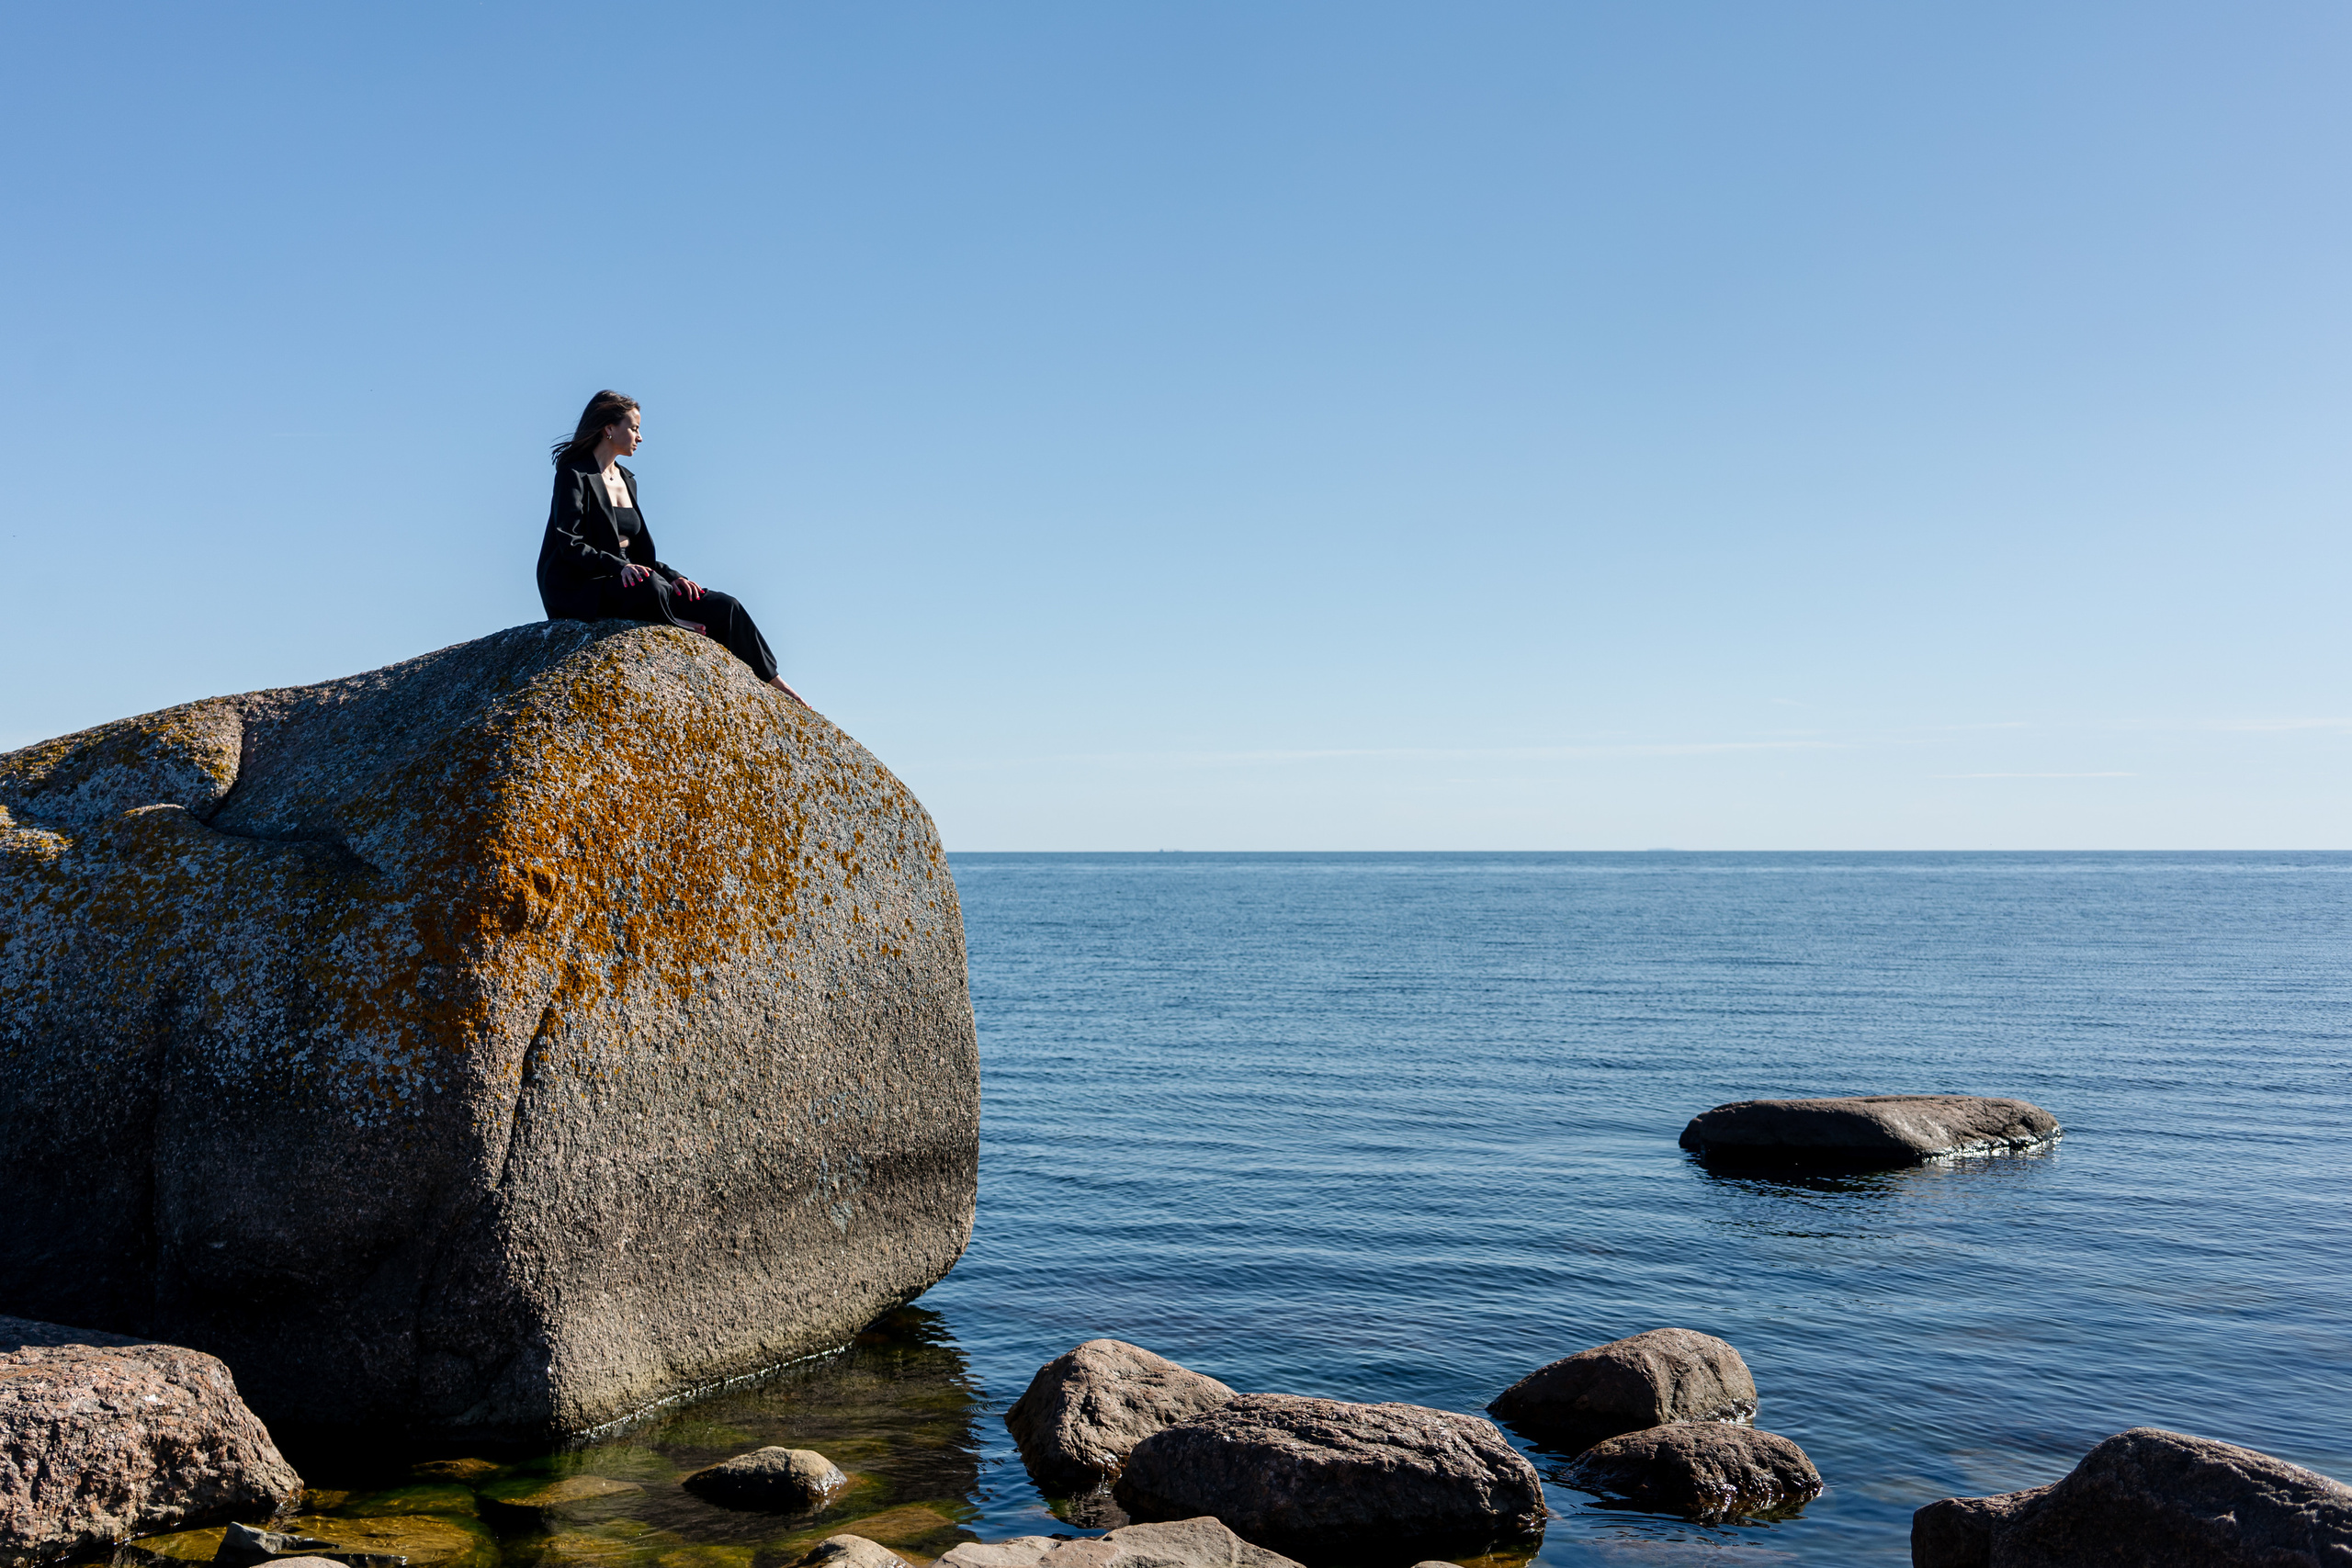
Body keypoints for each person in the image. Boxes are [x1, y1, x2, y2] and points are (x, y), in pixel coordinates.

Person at [537, 389, 809, 707]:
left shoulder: (626, 479)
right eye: (634, 427)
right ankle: (676, 625)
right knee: (651, 587)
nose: (640, 437)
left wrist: (676, 576)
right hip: (583, 583)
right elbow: (570, 543)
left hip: (629, 577)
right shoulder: (574, 473)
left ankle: (773, 680)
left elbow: (640, 556)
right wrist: (620, 567)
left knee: (725, 606)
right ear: (609, 428)